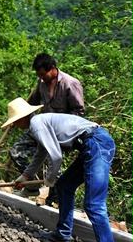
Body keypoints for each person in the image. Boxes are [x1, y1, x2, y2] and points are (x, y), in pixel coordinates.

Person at [3, 97, 120, 242]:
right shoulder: (40, 123)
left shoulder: (36, 124)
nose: (16, 126)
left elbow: (56, 157)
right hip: (91, 145)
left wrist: (49, 180)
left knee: (93, 204)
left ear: (20, 119)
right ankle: (63, 234)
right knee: (64, 186)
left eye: (15, 123)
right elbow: (41, 154)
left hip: (96, 143)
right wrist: (25, 176)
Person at [10, 53, 85, 199]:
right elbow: (32, 102)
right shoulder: (41, 83)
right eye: (39, 75)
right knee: (17, 151)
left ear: (52, 68)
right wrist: (18, 117)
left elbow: (78, 112)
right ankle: (32, 186)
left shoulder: (70, 84)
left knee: (54, 162)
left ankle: (55, 199)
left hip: (62, 131)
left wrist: (63, 131)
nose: (41, 78)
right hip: (42, 127)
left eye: (43, 74)